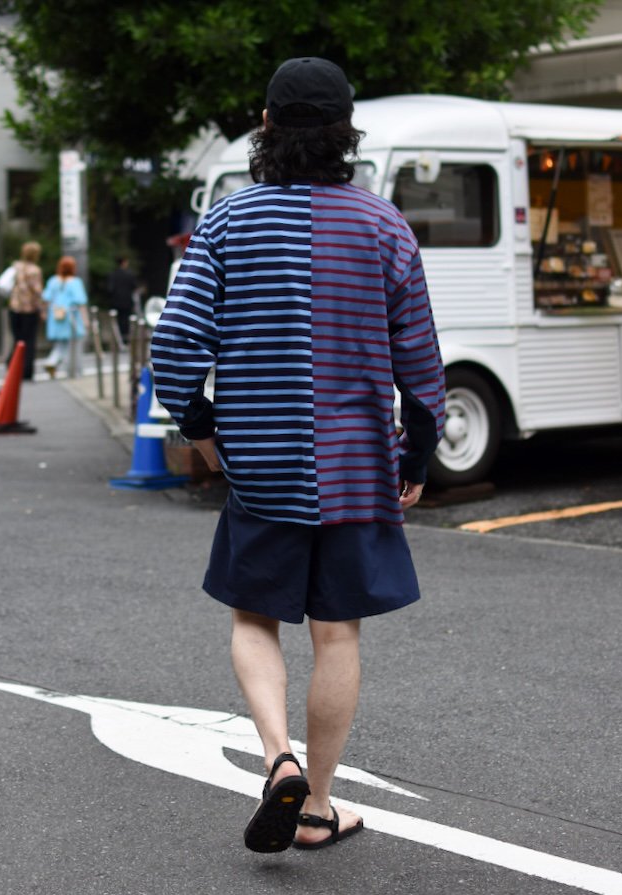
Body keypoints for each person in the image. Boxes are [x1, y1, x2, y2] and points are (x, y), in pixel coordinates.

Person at [150, 57, 445, 854]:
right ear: (347, 134)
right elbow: (421, 369)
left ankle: (276, 756)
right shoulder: (384, 227)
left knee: (254, 617)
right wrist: (415, 458)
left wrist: (204, 430)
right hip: (356, 465)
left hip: (262, 463)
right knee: (336, 633)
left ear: (268, 127)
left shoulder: (226, 223)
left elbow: (174, 348)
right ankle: (316, 804)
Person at [42, 256, 89, 379]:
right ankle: (74, 370)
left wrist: (44, 313)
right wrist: (85, 320)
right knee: (74, 345)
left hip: (55, 315)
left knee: (60, 344)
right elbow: (81, 302)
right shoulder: (75, 282)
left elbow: (46, 298)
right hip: (71, 316)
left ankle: (51, 361)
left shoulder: (53, 281)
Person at [5, 241, 44, 381]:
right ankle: (26, 371)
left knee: (17, 338)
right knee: (29, 340)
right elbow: (37, 292)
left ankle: (11, 365)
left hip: (14, 308)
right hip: (29, 310)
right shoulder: (34, 270)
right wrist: (42, 310)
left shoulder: (16, 268)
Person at [106, 256, 137, 343]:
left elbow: (110, 289)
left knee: (117, 320)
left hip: (115, 301)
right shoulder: (130, 274)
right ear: (124, 262)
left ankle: (117, 338)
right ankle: (125, 338)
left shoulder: (112, 274)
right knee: (126, 319)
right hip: (127, 301)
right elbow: (134, 286)